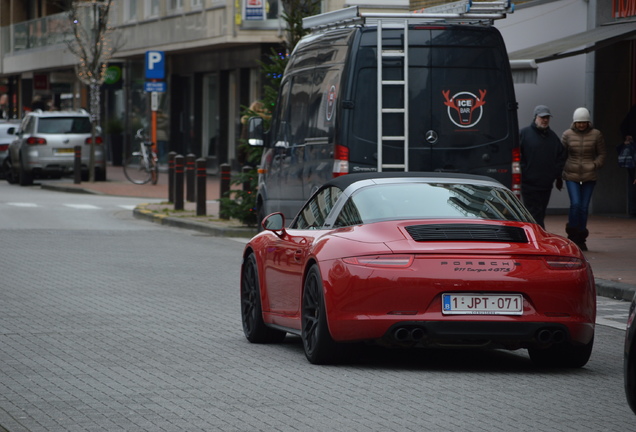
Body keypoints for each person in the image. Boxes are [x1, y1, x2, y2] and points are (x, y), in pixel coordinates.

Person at [561, 107, 606, 251]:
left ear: (588, 122)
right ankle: (573, 234)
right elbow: (561, 154)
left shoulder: (596, 134)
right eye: (579, 122)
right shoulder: (567, 135)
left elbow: (602, 154)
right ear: (574, 122)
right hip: (571, 174)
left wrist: (594, 165)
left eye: (584, 122)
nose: (581, 125)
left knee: (584, 207)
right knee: (575, 204)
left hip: (589, 175)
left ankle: (581, 237)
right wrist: (560, 171)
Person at [519, 105, 566, 228]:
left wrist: (555, 173)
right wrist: (524, 171)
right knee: (534, 213)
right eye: (542, 117)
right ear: (535, 117)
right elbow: (516, 155)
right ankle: (538, 236)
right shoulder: (524, 134)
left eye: (547, 118)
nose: (545, 120)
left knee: (541, 212)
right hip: (529, 183)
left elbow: (561, 155)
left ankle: (536, 236)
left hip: (545, 183)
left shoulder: (552, 137)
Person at [619, 104, 636, 216]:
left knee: (633, 180)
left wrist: (627, 136)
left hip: (633, 150)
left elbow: (623, 126)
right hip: (634, 149)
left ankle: (633, 210)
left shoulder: (634, 110)